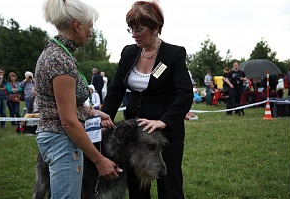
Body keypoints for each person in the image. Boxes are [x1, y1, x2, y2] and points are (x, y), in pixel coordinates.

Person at [102, 1, 193, 198]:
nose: (133, 34)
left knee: (169, 185)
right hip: (134, 134)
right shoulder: (129, 52)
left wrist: (164, 121)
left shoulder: (174, 54)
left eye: (139, 29)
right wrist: (105, 117)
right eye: (131, 29)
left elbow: (185, 93)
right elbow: (116, 89)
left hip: (166, 132)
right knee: (137, 188)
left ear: (155, 28)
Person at [35, 0, 122, 198]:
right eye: (90, 26)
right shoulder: (60, 60)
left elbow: (63, 104)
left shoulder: (57, 54)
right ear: (77, 26)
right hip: (62, 141)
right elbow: (67, 120)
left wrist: (92, 112)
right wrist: (99, 160)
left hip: (56, 138)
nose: (91, 32)